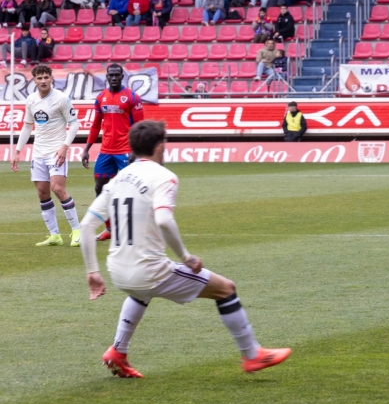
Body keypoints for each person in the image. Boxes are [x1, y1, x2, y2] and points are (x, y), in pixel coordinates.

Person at [79, 120, 292, 378]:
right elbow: (164, 219)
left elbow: (88, 224)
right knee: (226, 289)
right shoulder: (164, 176)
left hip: (117, 271)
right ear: (159, 146)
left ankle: (118, 351)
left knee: (141, 292)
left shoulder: (118, 179)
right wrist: (187, 258)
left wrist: (92, 272)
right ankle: (252, 354)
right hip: (148, 272)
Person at [10, 65, 81, 247]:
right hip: (39, 153)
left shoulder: (62, 99)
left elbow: (74, 125)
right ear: (34, 80)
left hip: (56, 151)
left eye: (45, 77)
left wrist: (64, 147)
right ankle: (54, 235)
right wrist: (17, 151)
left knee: (58, 188)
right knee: (42, 192)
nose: (43, 81)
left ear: (51, 78)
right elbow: (27, 126)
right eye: (39, 78)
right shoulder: (31, 100)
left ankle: (76, 231)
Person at [82, 64, 145, 242]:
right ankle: (110, 228)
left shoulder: (132, 97)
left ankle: (135, 229)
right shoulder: (101, 98)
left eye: (118, 75)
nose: (115, 78)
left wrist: (135, 149)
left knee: (131, 191)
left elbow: (139, 126)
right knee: (99, 187)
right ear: (107, 77)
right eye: (112, 75)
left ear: (122, 76)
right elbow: (95, 125)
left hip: (126, 150)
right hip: (106, 151)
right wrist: (87, 149)